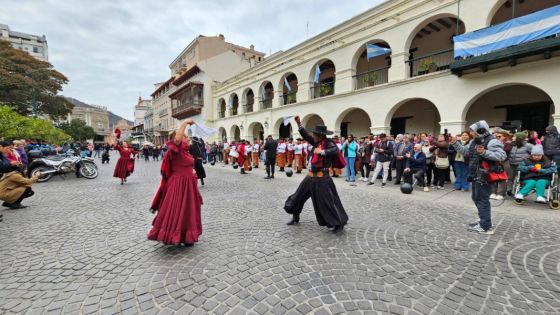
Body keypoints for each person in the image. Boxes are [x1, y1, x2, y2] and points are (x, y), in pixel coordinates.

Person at [284, 116, 348, 232]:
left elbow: (335, 151)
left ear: (320, 135)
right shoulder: (316, 142)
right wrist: (299, 124)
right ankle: (295, 216)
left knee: (327, 202)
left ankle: (338, 223)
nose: (312, 136)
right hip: (310, 177)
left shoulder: (328, 143)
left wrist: (322, 152)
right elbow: (305, 136)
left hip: (322, 178)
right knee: (297, 196)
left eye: (314, 134)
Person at [148, 118, 203, 246]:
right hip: (178, 185)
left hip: (188, 185)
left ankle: (187, 236)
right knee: (177, 209)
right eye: (186, 136)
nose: (188, 139)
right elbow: (177, 139)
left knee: (188, 210)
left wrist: (192, 171)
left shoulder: (184, 152)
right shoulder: (174, 150)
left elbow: (186, 166)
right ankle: (172, 235)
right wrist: (185, 123)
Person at [450, 120, 506, 234]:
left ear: (480, 130)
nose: (471, 132)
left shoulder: (492, 142)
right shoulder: (474, 142)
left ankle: (485, 226)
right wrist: (455, 143)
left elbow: (502, 155)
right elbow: (466, 152)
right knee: (476, 198)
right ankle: (483, 220)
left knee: (482, 200)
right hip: (475, 174)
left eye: (472, 130)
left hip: (485, 175)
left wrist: (485, 152)